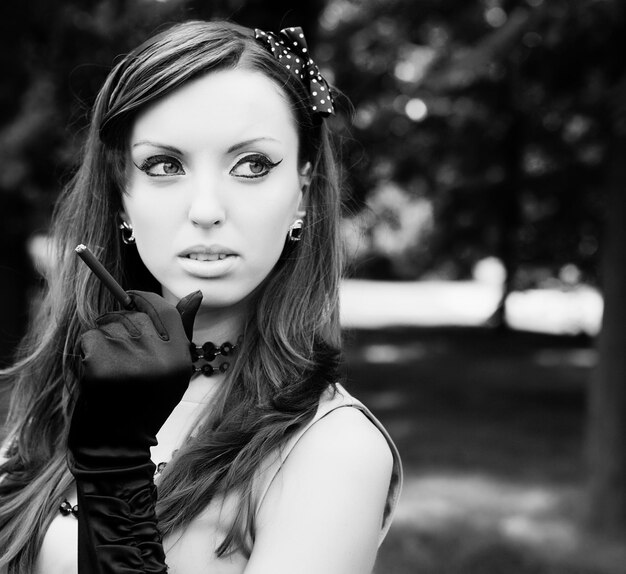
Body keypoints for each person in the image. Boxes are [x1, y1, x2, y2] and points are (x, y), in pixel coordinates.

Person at [0, 20, 402, 574]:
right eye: (166, 166)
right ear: (122, 196)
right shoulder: (61, 391)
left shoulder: (333, 451)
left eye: (252, 166)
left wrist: (116, 475)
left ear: (303, 189)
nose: (206, 208)